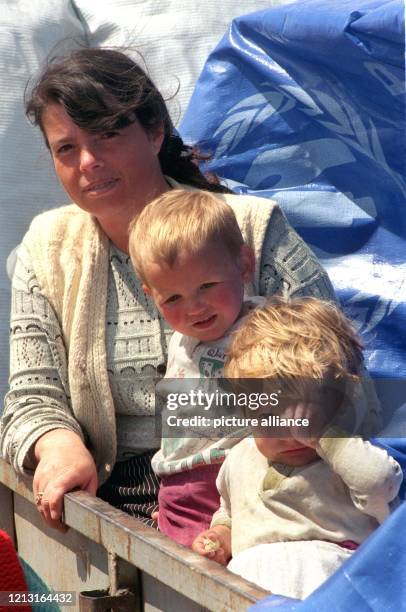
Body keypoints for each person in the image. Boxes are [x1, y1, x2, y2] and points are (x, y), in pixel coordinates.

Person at [0, 47, 374, 534]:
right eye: (66, 148)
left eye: (107, 135)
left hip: (277, 495)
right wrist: (56, 445)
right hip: (116, 499)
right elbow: (32, 393)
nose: (88, 161)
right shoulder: (46, 250)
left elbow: (341, 369)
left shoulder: (252, 232)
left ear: (155, 132)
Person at [192, 298, 402, 599]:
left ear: (341, 404)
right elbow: (230, 514)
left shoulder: (348, 456)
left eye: (305, 414)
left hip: (332, 585)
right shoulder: (240, 458)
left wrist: (324, 438)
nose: (288, 432)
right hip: (251, 587)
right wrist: (220, 539)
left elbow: (380, 484)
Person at [129, 188, 263, 545]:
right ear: (151, 295)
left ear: (244, 265)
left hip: (239, 480)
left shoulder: (265, 329)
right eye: (172, 298)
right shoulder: (180, 338)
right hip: (176, 486)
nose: (194, 308)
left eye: (207, 285)